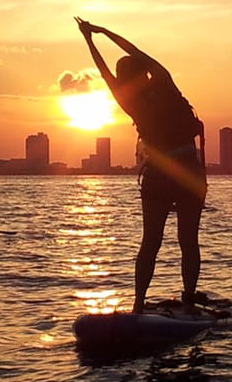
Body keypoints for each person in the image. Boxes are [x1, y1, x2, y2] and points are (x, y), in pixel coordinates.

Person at [76, 17, 206, 314]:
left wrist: (89, 40)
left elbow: (102, 70)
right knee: (188, 240)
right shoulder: (164, 81)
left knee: (151, 241)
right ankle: (188, 295)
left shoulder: (127, 99)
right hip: (188, 172)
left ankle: (137, 303)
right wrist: (102, 32)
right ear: (144, 70)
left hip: (158, 176)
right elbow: (135, 50)